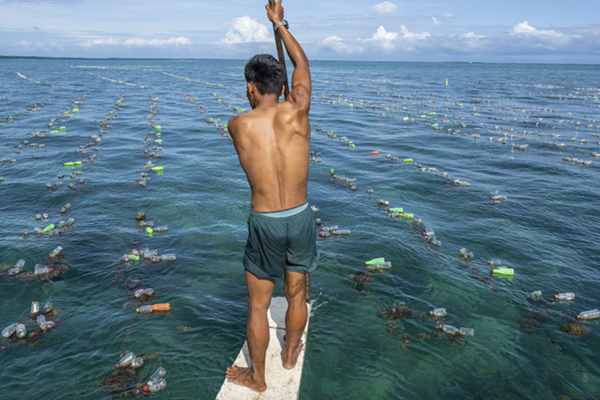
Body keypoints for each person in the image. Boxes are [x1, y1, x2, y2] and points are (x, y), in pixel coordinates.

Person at [225, 1, 317, 393]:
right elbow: (304, 64)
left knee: (259, 305)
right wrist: (279, 25)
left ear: (250, 86)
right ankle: (292, 351)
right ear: (282, 86)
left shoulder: (238, 125)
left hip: (265, 222)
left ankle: (257, 378)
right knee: (297, 291)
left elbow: (290, 77)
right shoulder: (298, 111)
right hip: (299, 216)